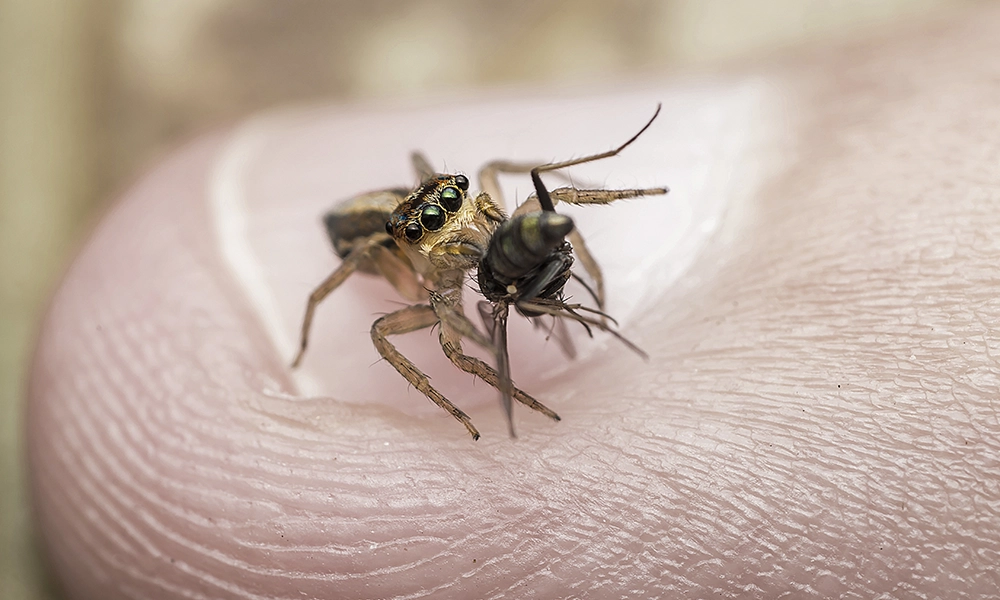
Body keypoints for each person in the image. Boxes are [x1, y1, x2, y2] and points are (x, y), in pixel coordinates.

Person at [26, 7, 1000, 597]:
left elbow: (508, 179)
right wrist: (462, 398)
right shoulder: (418, 258)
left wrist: (606, 182)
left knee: (504, 179)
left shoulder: (484, 203)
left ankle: (634, 186)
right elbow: (389, 295)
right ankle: (473, 403)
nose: (468, 230)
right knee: (387, 321)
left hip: (430, 200)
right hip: (367, 229)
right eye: (453, 227)